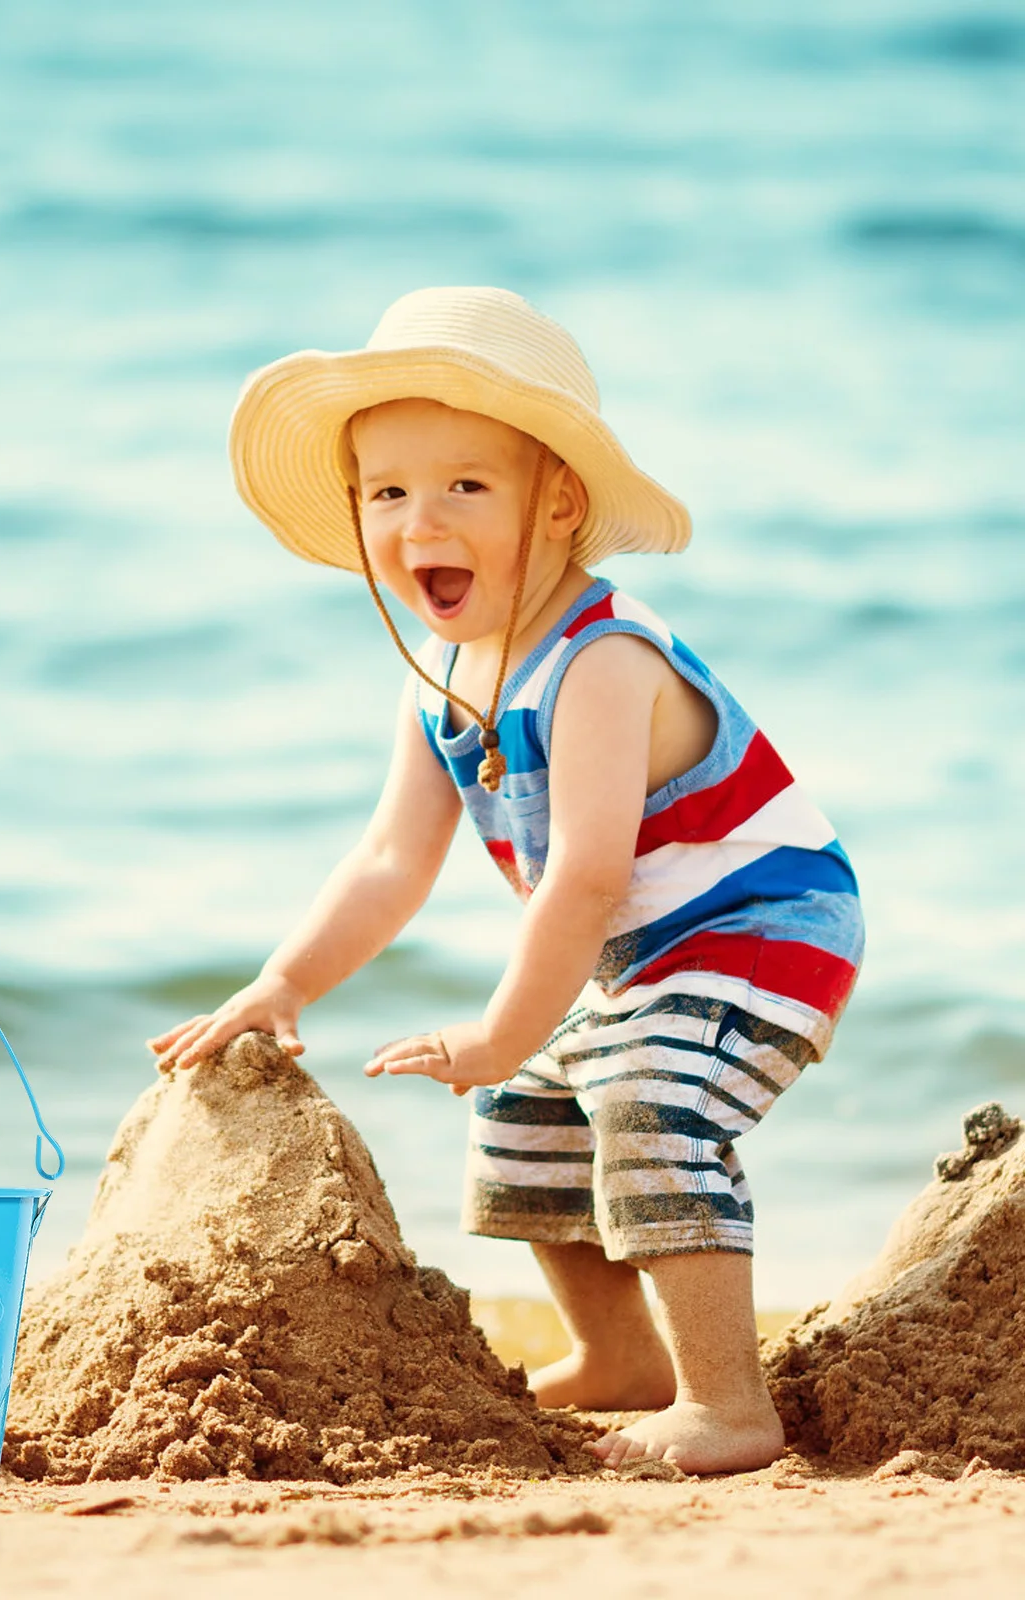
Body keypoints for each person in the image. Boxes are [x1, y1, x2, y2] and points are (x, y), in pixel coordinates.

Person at [147, 287, 864, 1474]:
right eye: (387, 492)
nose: (420, 519)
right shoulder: (439, 676)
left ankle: (729, 1402)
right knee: (526, 1107)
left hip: (763, 926)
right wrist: (285, 982)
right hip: (650, 951)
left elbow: (582, 875)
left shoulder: (601, 657)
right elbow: (390, 859)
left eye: (465, 485)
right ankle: (620, 1357)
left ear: (559, 502)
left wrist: (494, 1027)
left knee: (649, 1095)